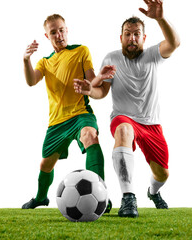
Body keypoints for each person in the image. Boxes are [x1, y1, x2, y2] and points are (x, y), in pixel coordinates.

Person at [74, 0, 180, 217]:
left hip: (151, 124)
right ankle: (128, 199)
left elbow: (174, 43)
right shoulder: (111, 58)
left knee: (162, 174)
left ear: (144, 37)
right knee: (123, 130)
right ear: (120, 37)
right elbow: (101, 92)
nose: (132, 38)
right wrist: (89, 90)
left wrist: (159, 18)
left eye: (136, 34)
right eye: (127, 34)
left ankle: (153, 192)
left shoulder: (152, 55)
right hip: (123, 118)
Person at [22, 14, 113, 212]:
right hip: (57, 122)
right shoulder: (45, 63)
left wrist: (96, 81)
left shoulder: (81, 51)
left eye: (61, 30)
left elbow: (93, 84)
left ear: (67, 30)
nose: (59, 35)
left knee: (90, 136)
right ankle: (40, 198)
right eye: (53, 32)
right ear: (47, 36)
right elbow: (31, 80)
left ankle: (101, 194)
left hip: (81, 114)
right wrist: (26, 59)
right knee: (46, 164)